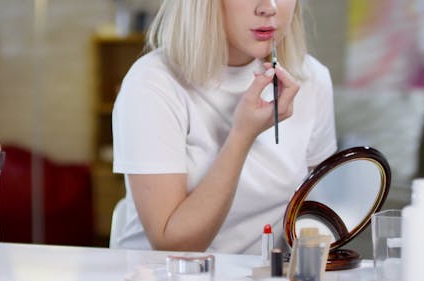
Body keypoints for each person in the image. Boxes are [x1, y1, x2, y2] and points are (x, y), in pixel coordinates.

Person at [112, 0, 336, 254]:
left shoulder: (311, 78)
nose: (269, 7)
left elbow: (316, 217)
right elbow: (173, 245)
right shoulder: (152, 83)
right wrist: (242, 135)